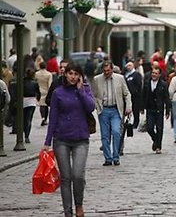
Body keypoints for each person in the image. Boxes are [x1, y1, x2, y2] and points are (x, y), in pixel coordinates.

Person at [41, 62, 95, 217]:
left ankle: (79, 205)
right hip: (61, 139)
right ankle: (67, 212)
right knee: (66, 178)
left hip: (81, 139)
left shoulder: (84, 89)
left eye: (76, 74)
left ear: (80, 76)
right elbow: (53, 118)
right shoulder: (58, 93)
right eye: (70, 73)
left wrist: (81, 92)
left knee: (78, 175)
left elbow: (91, 107)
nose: (73, 77)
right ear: (65, 74)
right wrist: (47, 141)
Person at [92, 61, 132, 166]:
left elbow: (127, 93)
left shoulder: (120, 78)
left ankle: (116, 156)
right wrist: (97, 106)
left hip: (116, 110)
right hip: (103, 110)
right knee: (105, 135)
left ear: (112, 69)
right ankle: (108, 158)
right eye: (104, 71)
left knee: (116, 132)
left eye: (108, 70)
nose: (106, 73)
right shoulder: (97, 80)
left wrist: (128, 107)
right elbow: (94, 95)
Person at [142, 67, 171, 154]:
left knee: (159, 128)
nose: (154, 75)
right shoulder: (147, 83)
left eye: (156, 73)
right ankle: (155, 140)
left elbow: (166, 98)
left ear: (159, 75)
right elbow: (143, 95)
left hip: (159, 108)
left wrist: (168, 111)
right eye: (153, 73)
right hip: (150, 108)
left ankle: (158, 146)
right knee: (149, 128)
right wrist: (141, 107)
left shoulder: (163, 84)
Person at [23, 68, 40, 143]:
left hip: (23, 100)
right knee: (29, 118)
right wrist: (38, 99)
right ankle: (27, 136)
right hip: (32, 101)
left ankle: (24, 131)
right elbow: (38, 92)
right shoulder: (35, 83)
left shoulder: (22, 82)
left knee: (23, 118)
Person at [124, 61, 143, 130]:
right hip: (128, 95)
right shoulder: (126, 75)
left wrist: (135, 91)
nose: (128, 67)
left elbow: (139, 85)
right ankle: (128, 122)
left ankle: (136, 123)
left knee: (135, 109)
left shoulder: (136, 74)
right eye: (127, 66)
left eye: (129, 66)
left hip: (135, 95)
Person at [35, 62, 53, 126]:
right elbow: (50, 83)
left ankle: (42, 117)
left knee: (41, 105)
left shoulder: (36, 74)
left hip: (39, 90)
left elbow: (35, 82)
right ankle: (45, 118)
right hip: (46, 90)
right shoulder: (49, 74)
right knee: (46, 105)